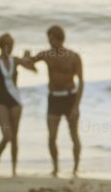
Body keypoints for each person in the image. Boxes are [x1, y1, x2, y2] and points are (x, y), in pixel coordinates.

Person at [19, 25, 84, 177]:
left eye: (52, 38)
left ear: (60, 38)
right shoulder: (46, 54)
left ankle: (76, 168)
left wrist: (76, 106)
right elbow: (29, 66)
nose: (49, 41)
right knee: (51, 136)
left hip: (70, 98)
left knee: (74, 135)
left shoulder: (73, 56)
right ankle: (55, 168)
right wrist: (25, 57)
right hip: (54, 98)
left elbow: (81, 82)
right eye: (48, 38)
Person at [0, 33, 34, 175]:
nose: (10, 47)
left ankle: (14, 170)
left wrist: (28, 58)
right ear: (1, 46)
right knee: (7, 135)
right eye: (8, 44)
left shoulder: (16, 60)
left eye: (12, 44)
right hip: (0, 100)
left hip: (15, 99)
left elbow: (33, 69)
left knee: (15, 137)